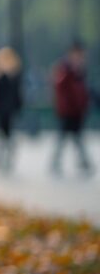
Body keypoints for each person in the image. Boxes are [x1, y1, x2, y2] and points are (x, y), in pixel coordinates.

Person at [51, 42, 93, 175]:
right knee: (63, 138)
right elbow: (59, 85)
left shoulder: (80, 71)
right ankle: (57, 162)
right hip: (67, 111)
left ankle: (83, 162)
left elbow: (83, 91)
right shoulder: (65, 69)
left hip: (77, 111)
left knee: (77, 138)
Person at [0, 48, 23, 172]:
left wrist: (18, 108)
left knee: (8, 137)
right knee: (1, 137)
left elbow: (17, 96)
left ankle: (7, 159)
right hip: (1, 112)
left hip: (10, 112)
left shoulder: (14, 79)